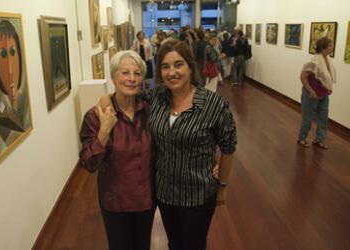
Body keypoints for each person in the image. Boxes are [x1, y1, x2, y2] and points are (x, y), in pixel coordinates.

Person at [150, 40, 237, 249]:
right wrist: (106, 100)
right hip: (165, 193)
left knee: (194, 245)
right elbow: (126, 97)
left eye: (178, 64)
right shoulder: (156, 97)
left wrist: (223, 186)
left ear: (190, 66)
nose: (172, 72)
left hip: (198, 194)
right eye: (165, 66)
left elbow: (228, 147)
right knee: (174, 243)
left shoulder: (212, 103)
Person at [79, 50, 155, 250]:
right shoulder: (96, 116)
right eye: (125, 73)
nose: (131, 79)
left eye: (137, 73)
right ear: (113, 77)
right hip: (116, 202)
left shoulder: (149, 110)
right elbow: (88, 163)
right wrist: (104, 131)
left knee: (143, 245)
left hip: (147, 198)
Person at [297, 37, 336, 149]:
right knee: (307, 118)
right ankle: (302, 138)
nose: (332, 47)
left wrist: (329, 87)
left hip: (324, 95)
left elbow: (326, 78)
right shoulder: (313, 62)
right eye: (330, 46)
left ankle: (319, 139)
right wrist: (311, 91)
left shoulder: (328, 61)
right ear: (323, 48)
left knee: (323, 119)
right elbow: (302, 77)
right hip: (311, 95)